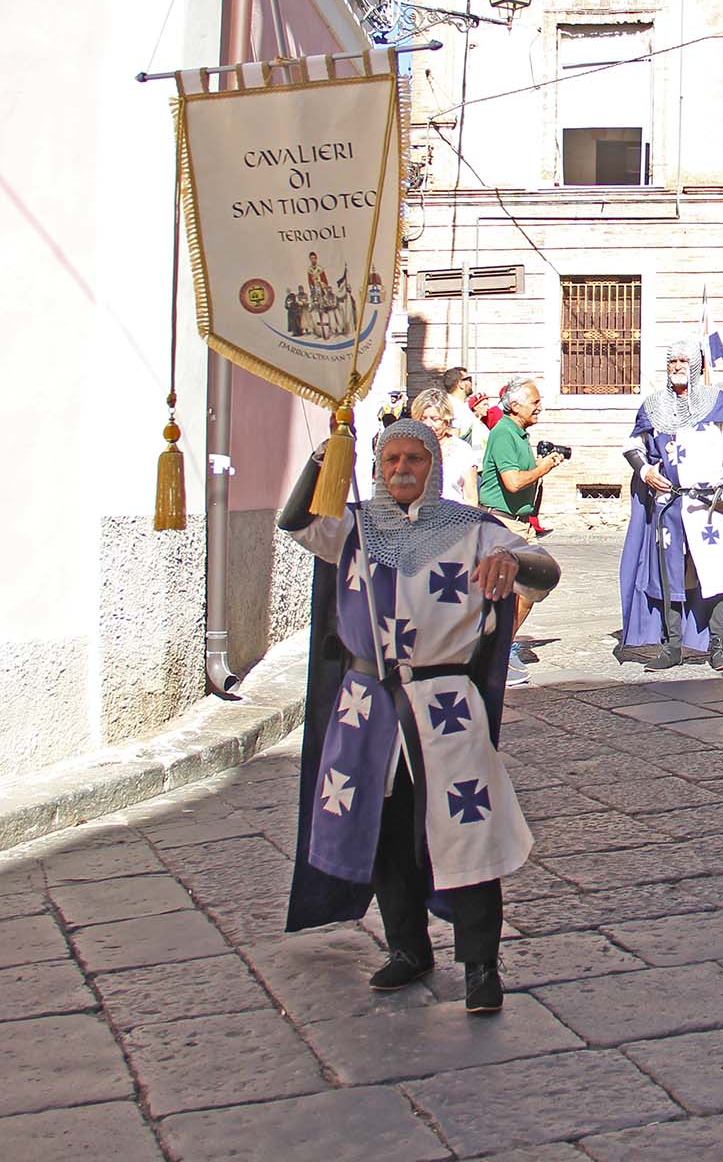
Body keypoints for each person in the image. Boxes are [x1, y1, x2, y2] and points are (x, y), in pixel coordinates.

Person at [278, 418, 560, 1014]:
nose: (402, 469)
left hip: (444, 705)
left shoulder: (473, 529)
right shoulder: (354, 528)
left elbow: (543, 567)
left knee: (468, 831)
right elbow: (295, 521)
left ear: (434, 467)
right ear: (378, 469)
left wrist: (516, 568)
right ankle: (407, 948)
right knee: (381, 831)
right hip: (367, 704)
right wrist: (328, 455)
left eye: (415, 459)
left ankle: (482, 964)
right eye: (391, 460)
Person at [618, 340, 723, 672]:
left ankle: (718, 645)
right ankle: (672, 646)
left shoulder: (716, 403)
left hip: (710, 504)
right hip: (670, 503)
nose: (676, 366)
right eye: (672, 360)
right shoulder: (655, 405)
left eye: (684, 360)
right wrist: (645, 471)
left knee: (716, 574)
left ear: (698, 364)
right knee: (670, 575)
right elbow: (633, 445)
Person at [478, 379, 567, 684]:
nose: (539, 407)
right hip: (504, 523)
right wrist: (545, 467)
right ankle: (497, 650)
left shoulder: (518, 433)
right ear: (515, 406)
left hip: (520, 523)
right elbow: (513, 482)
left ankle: (501, 645)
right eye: (535, 402)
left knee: (533, 586)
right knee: (515, 589)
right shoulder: (503, 433)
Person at [411, 388, 480, 505]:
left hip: (455, 519)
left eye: (435, 419)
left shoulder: (462, 450)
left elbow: (471, 498)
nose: (428, 424)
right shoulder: (408, 449)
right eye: (422, 419)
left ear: (446, 420)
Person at [441, 366, 484, 450]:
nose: (472, 383)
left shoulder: (461, 405)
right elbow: (454, 436)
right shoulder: (452, 406)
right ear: (461, 384)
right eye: (469, 379)